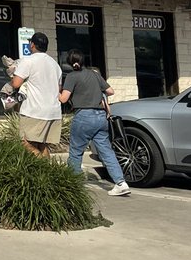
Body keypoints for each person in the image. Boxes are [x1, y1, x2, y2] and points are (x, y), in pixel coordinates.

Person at [59, 49, 131, 196]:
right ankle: (121, 183)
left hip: (83, 117)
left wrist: (57, 90)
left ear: (70, 63)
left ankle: (75, 184)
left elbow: (63, 99)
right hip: (100, 117)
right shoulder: (94, 74)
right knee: (106, 151)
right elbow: (110, 91)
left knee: (76, 151)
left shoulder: (72, 77)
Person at [10, 32, 63, 158]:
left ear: (32, 45)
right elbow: (58, 88)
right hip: (53, 111)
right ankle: (47, 173)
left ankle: (41, 161)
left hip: (34, 110)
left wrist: (12, 75)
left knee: (24, 141)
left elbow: (16, 84)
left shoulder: (28, 61)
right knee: (42, 144)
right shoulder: (55, 65)